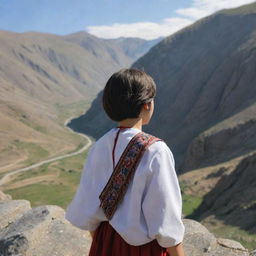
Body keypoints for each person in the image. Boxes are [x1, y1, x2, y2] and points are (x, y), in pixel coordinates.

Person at [65, 68, 185, 256]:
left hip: (104, 242)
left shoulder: (99, 146)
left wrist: (103, 244)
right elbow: (165, 219)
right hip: (144, 249)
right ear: (147, 105)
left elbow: (88, 208)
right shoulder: (155, 150)